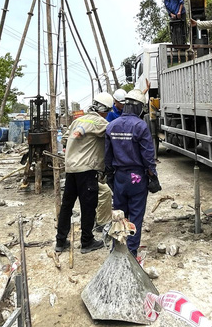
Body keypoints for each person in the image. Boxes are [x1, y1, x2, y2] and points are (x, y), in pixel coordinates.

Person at [55, 91, 115, 255]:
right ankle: (87, 241)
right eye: (108, 111)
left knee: (67, 205)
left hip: (71, 170)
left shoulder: (78, 120)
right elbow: (113, 135)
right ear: (104, 109)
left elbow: (65, 139)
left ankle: (60, 241)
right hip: (86, 171)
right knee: (88, 207)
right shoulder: (101, 123)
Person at [104, 89, 158, 257]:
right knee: (136, 214)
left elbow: (107, 155)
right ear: (138, 107)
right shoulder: (140, 126)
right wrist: (153, 177)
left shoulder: (112, 125)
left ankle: (117, 249)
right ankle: (132, 253)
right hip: (137, 178)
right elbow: (148, 155)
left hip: (119, 177)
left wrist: (110, 176)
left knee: (119, 215)